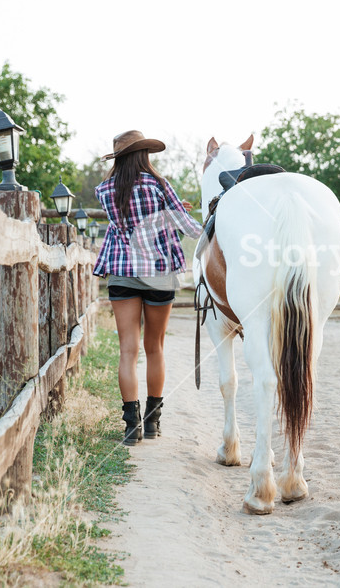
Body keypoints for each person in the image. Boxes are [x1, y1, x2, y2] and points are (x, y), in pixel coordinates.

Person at [92, 130, 203, 444]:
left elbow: (128, 221)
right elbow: (183, 225)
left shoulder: (104, 190)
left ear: (119, 158)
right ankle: (153, 423)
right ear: (143, 155)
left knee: (128, 350)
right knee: (155, 348)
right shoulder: (159, 185)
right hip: (158, 272)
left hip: (123, 271)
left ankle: (132, 427)